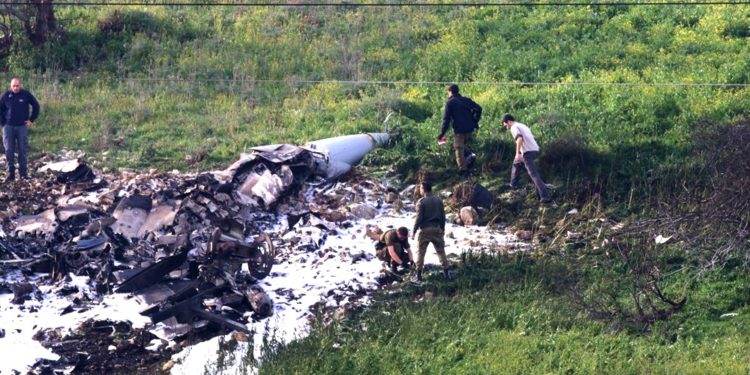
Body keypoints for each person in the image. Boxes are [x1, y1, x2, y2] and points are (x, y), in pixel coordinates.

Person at [501, 113, 552, 203]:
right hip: (535, 149)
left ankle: (545, 196)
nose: (506, 128)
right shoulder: (522, 125)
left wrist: (517, 153)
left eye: (506, 125)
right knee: (516, 162)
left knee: (533, 174)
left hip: (528, 152)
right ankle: (513, 184)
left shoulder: (514, 127)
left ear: (508, 121)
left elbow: (519, 139)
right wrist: (519, 155)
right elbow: (532, 137)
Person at [438, 84, 482, 178]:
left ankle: (464, 171)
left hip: (459, 131)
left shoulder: (450, 103)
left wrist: (441, 134)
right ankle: (470, 157)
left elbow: (446, 120)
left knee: (458, 148)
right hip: (470, 129)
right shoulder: (466, 100)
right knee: (463, 147)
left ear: (450, 92)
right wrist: (474, 120)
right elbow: (479, 108)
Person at [1, 78, 40, 182]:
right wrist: (3, 123)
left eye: (17, 86)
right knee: (9, 150)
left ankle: (23, 174)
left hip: (22, 127)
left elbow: (36, 106)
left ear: (20, 85)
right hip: (8, 127)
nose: (15, 88)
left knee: (22, 150)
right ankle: (11, 174)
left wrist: (31, 120)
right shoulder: (5, 96)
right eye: (13, 86)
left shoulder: (26, 94)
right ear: (11, 86)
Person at [412, 181, 450, 281]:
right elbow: (443, 216)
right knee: (441, 251)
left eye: (420, 188)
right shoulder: (439, 200)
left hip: (425, 230)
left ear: (423, 189)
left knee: (421, 252)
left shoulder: (421, 202)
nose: (419, 190)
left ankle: (419, 276)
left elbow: (419, 218)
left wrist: (414, 230)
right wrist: (442, 228)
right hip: (437, 229)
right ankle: (446, 273)